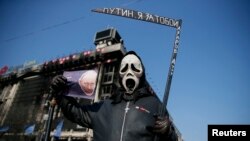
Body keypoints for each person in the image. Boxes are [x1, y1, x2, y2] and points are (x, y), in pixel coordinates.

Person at [50, 51, 178, 141]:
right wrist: (60, 92)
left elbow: (172, 139)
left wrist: (169, 133)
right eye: (125, 68)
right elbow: (74, 112)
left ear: (142, 72)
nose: (129, 72)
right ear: (120, 74)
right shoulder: (104, 107)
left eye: (135, 68)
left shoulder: (155, 105)